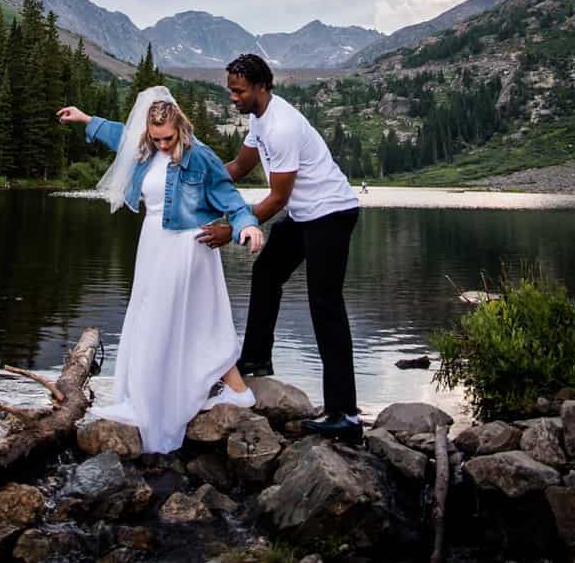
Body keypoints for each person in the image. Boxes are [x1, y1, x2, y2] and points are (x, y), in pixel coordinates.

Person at [57, 85, 263, 454]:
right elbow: (120, 134)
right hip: (153, 245)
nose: (162, 145)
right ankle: (197, 392)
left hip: (187, 249)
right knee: (154, 319)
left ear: (180, 128)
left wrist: (247, 225)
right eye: (156, 138)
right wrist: (86, 119)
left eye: (167, 138)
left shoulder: (200, 156)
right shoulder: (144, 148)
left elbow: (229, 197)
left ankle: (189, 398)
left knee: (183, 321)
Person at [197, 54, 363, 445]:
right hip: (307, 215)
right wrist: (197, 182)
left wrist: (233, 229)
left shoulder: (283, 126)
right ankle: (256, 357)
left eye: (238, 91)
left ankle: (346, 414)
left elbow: (276, 199)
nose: (232, 97)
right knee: (267, 271)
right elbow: (237, 167)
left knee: (326, 306)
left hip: (331, 215)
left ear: (261, 87)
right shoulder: (259, 119)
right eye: (230, 89)